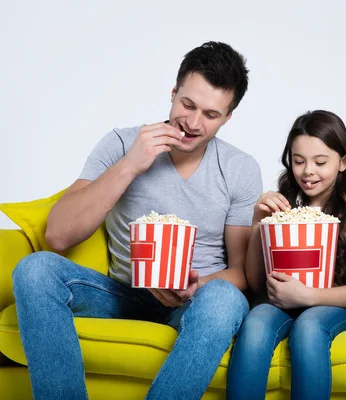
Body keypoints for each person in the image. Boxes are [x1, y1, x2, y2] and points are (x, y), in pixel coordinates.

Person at [11, 41, 262, 400]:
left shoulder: (239, 168)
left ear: (228, 117)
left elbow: (242, 272)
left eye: (210, 115)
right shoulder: (121, 143)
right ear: (173, 93)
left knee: (224, 298)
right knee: (34, 270)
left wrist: (195, 286)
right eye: (187, 105)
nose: (192, 123)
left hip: (197, 300)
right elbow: (59, 235)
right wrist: (130, 164)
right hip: (123, 295)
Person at [226, 110, 346, 400]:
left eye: (321, 162)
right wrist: (260, 222)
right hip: (279, 306)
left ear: (343, 163)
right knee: (256, 320)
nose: (308, 171)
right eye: (298, 161)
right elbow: (256, 283)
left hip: (333, 308)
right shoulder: (283, 208)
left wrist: (307, 296)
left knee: (308, 328)